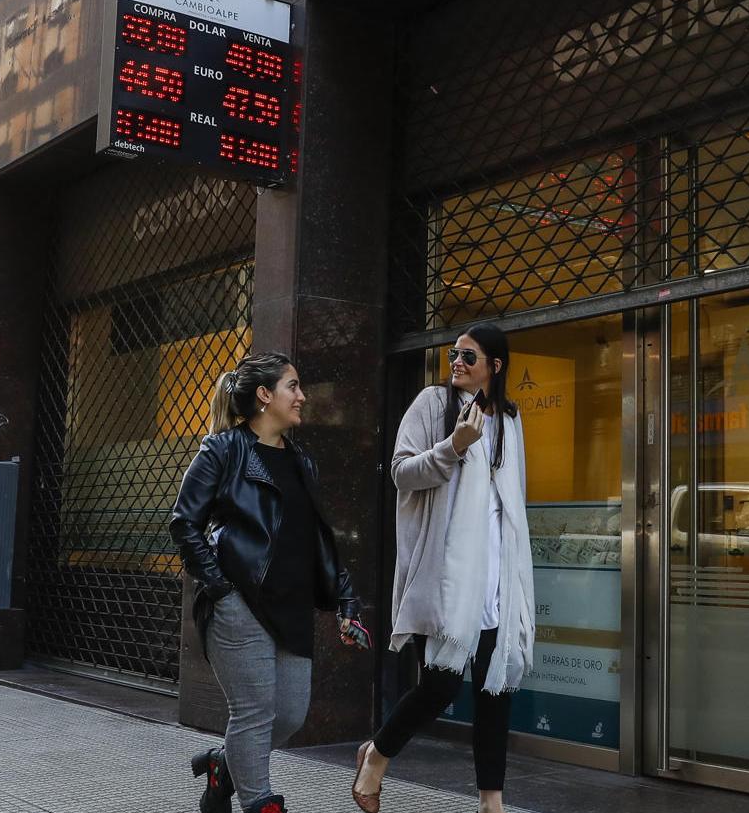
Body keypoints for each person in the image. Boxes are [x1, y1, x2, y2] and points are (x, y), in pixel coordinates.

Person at [170, 352, 368, 813]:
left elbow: (316, 538)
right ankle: (260, 802)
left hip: (293, 606)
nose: (302, 396)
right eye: (292, 386)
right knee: (255, 714)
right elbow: (184, 523)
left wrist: (346, 598)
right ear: (265, 395)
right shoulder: (222, 450)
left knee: (289, 718)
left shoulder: (302, 462)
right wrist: (221, 589)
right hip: (241, 605)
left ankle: (223, 764)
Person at [353, 323, 535, 813]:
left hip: (496, 576)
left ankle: (491, 802)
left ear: (495, 367)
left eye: (469, 356)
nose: (456, 362)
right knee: (438, 686)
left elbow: (509, 505)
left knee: (495, 691)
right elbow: (401, 473)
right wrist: (453, 446)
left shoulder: (510, 420)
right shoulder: (433, 405)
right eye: (454, 353)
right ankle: (376, 757)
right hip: (448, 576)